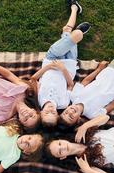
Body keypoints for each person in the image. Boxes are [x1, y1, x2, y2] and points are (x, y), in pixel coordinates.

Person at [31, 0, 90, 129]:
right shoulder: (63, 104)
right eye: (53, 113)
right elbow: (70, 84)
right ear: (57, 116)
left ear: (41, 113)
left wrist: (47, 67)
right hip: (69, 64)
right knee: (69, 32)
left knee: (73, 34)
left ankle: (74, 23)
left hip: (51, 59)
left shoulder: (38, 99)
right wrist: (63, 69)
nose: (51, 109)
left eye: (47, 112)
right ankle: (74, 10)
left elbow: (33, 79)